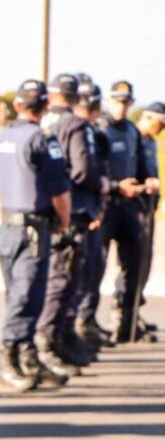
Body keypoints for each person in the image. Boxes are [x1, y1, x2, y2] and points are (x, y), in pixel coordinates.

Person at [0, 79, 71, 391]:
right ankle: (9, 356)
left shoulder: (4, 135)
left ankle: (27, 355)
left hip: (9, 226)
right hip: (33, 227)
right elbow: (60, 192)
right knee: (27, 295)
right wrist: (63, 222)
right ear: (45, 105)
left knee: (18, 293)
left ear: (17, 105)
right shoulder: (42, 139)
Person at [35, 74, 108, 376]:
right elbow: (82, 171)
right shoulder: (76, 125)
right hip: (74, 208)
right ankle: (51, 342)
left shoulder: (40, 123)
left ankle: (60, 339)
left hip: (46, 207)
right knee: (65, 281)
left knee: (58, 280)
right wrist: (105, 185)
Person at [94, 81, 153, 342]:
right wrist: (117, 188)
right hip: (107, 203)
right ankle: (87, 322)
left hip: (130, 206)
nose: (121, 106)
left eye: (126, 102)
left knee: (134, 263)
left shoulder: (131, 130)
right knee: (95, 266)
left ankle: (127, 320)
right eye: (117, 101)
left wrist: (148, 180)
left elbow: (141, 164)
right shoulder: (99, 129)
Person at [73, 82, 117, 347]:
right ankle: (76, 327)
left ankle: (85, 321)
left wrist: (100, 204)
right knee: (75, 275)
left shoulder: (95, 133)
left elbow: (101, 169)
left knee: (93, 269)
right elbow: (80, 173)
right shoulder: (75, 129)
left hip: (94, 209)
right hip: (79, 212)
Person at [135, 102, 164, 333]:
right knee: (133, 263)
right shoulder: (131, 138)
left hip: (148, 206)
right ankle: (124, 314)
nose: (161, 129)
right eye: (160, 123)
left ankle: (134, 312)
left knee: (145, 261)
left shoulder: (150, 142)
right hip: (132, 208)